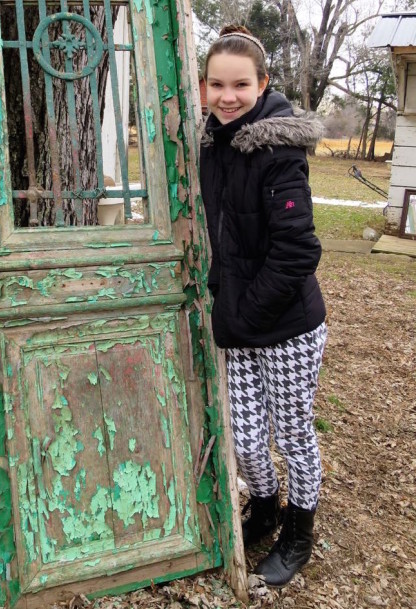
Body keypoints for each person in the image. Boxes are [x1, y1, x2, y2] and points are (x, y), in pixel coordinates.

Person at [199, 25, 327, 587]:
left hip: (288, 325)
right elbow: (225, 233)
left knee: (292, 432)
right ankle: (266, 511)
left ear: (262, 84)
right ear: (204, 87)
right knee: (247, 437)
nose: (228, 96)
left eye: (240, 85)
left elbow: (300, 249)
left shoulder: (276, 150)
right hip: (242, 320)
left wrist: (245, 314)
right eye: (217, 85)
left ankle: (299, 532)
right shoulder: (215, 143)